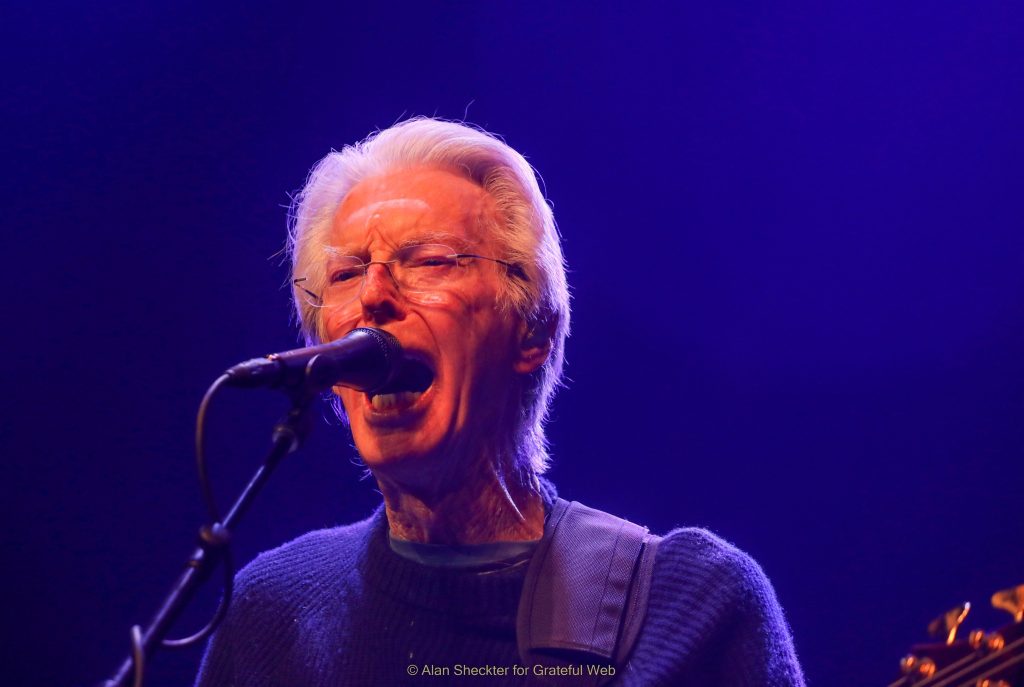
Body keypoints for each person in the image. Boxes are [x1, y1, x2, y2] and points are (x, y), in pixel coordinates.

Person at [195, 117, 805, 686]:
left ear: (533, 331)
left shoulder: (689, 607)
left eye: (430, 261)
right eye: (347, 274)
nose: (373, 296)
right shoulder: (272, 617)